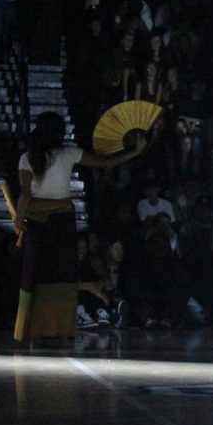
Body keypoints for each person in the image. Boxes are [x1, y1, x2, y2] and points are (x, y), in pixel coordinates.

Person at [13, 112, 148, 343]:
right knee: (61, 274)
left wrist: (18, 218)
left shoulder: (28, 157)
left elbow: (26, 195)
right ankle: (60, 329)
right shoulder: (67, 153)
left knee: (36, 273)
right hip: (61, 222)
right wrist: (134, 152)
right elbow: (105, 162)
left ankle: (32, 329)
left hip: (38, 221)